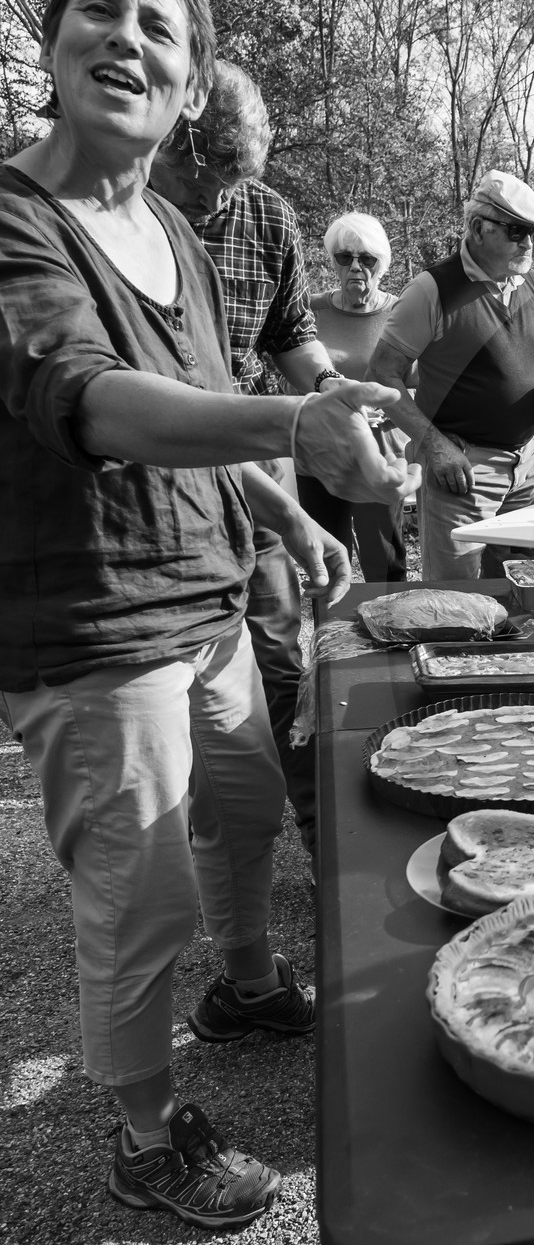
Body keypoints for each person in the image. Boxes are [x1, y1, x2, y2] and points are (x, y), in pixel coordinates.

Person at [0, 0, 404, 1230]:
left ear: (188, 90)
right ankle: (143, 1135)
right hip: (94, 629)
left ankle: (244, 988)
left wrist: (288, 519)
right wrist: (295, 432)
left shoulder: (170, 222)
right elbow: (97, 406)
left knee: (244, 811)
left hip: (211, 603)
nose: (125, 40)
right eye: (97, 16)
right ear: (53, 50)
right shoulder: (15, 218)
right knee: (142, 892)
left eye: (157, 31)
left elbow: (211, 409)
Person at [149, 60, 344, 852]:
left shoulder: (265, 216)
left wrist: (333, 395)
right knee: (175, 698)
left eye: (234, 179)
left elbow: (292, 335)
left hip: (256, 474)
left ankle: (313, 840)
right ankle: (204, 835)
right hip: (162, 482)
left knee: (278, 663)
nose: (216, 199)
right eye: (202, 175)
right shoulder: (116, 222)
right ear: (163, 134)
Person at [370, 169, 534, 580]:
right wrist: (432, 444)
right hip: (461, 469)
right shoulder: (431, 290)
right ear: (479, 228)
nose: (528, 243)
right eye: (517, 230)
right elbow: (382, 374)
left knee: (525, 593)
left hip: (529, 463)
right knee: (455, 602)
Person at [300, 211, 409, 583]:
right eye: (344, 258)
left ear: (383, 264)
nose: (356, 267)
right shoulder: (309, 310)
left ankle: (393, 638)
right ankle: (331, 639)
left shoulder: (401, 313)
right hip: (319, 454)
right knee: (328, 564)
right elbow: (293, 372)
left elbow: (424, 384)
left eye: (367, 259)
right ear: (333, 261)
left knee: (385, 565)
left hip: (380, 455)